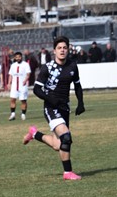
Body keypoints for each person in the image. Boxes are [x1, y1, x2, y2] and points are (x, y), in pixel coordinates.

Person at [23, 36, 85, 181]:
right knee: (66, 137)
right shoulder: (48, 68)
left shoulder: (72, 66)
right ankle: (68, 172)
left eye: (65, 48)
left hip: (65, 108)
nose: (62, 50)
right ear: (54, 51)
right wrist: (51, 99)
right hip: (51, 108)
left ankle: (34, 134)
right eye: (59, 48)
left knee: (58, 145)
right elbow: (37, 89)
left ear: (68, 49)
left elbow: (77, 85)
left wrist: (81, 103)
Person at [6, 51, 31, 121]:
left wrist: (25, 80)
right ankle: (13, 114)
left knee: (23, 100)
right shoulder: (13, 65)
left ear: (21, 57)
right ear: (15, 58)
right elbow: (10, 75)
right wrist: (9, 83)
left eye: (19, 57)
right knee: (12, 99)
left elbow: (28, 74)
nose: (18, 58)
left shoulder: (25, 64)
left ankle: (23, 114)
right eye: (16, 57)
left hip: (22, 85)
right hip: (14, 85)